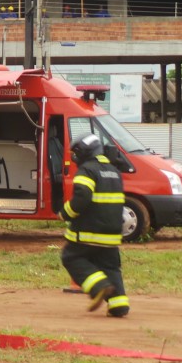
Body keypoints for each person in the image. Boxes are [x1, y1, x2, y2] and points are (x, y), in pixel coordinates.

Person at [59, 133, 130, 317]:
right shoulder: (114, 171)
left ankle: (98, 287)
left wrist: (65, 213)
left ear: (84, 152)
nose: (74, 157)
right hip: (112, 234)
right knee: (110, 267)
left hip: (88, 231)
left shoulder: (87, 170)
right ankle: (118, 305)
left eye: (76, 152)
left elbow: (82, 197)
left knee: (71, 257)